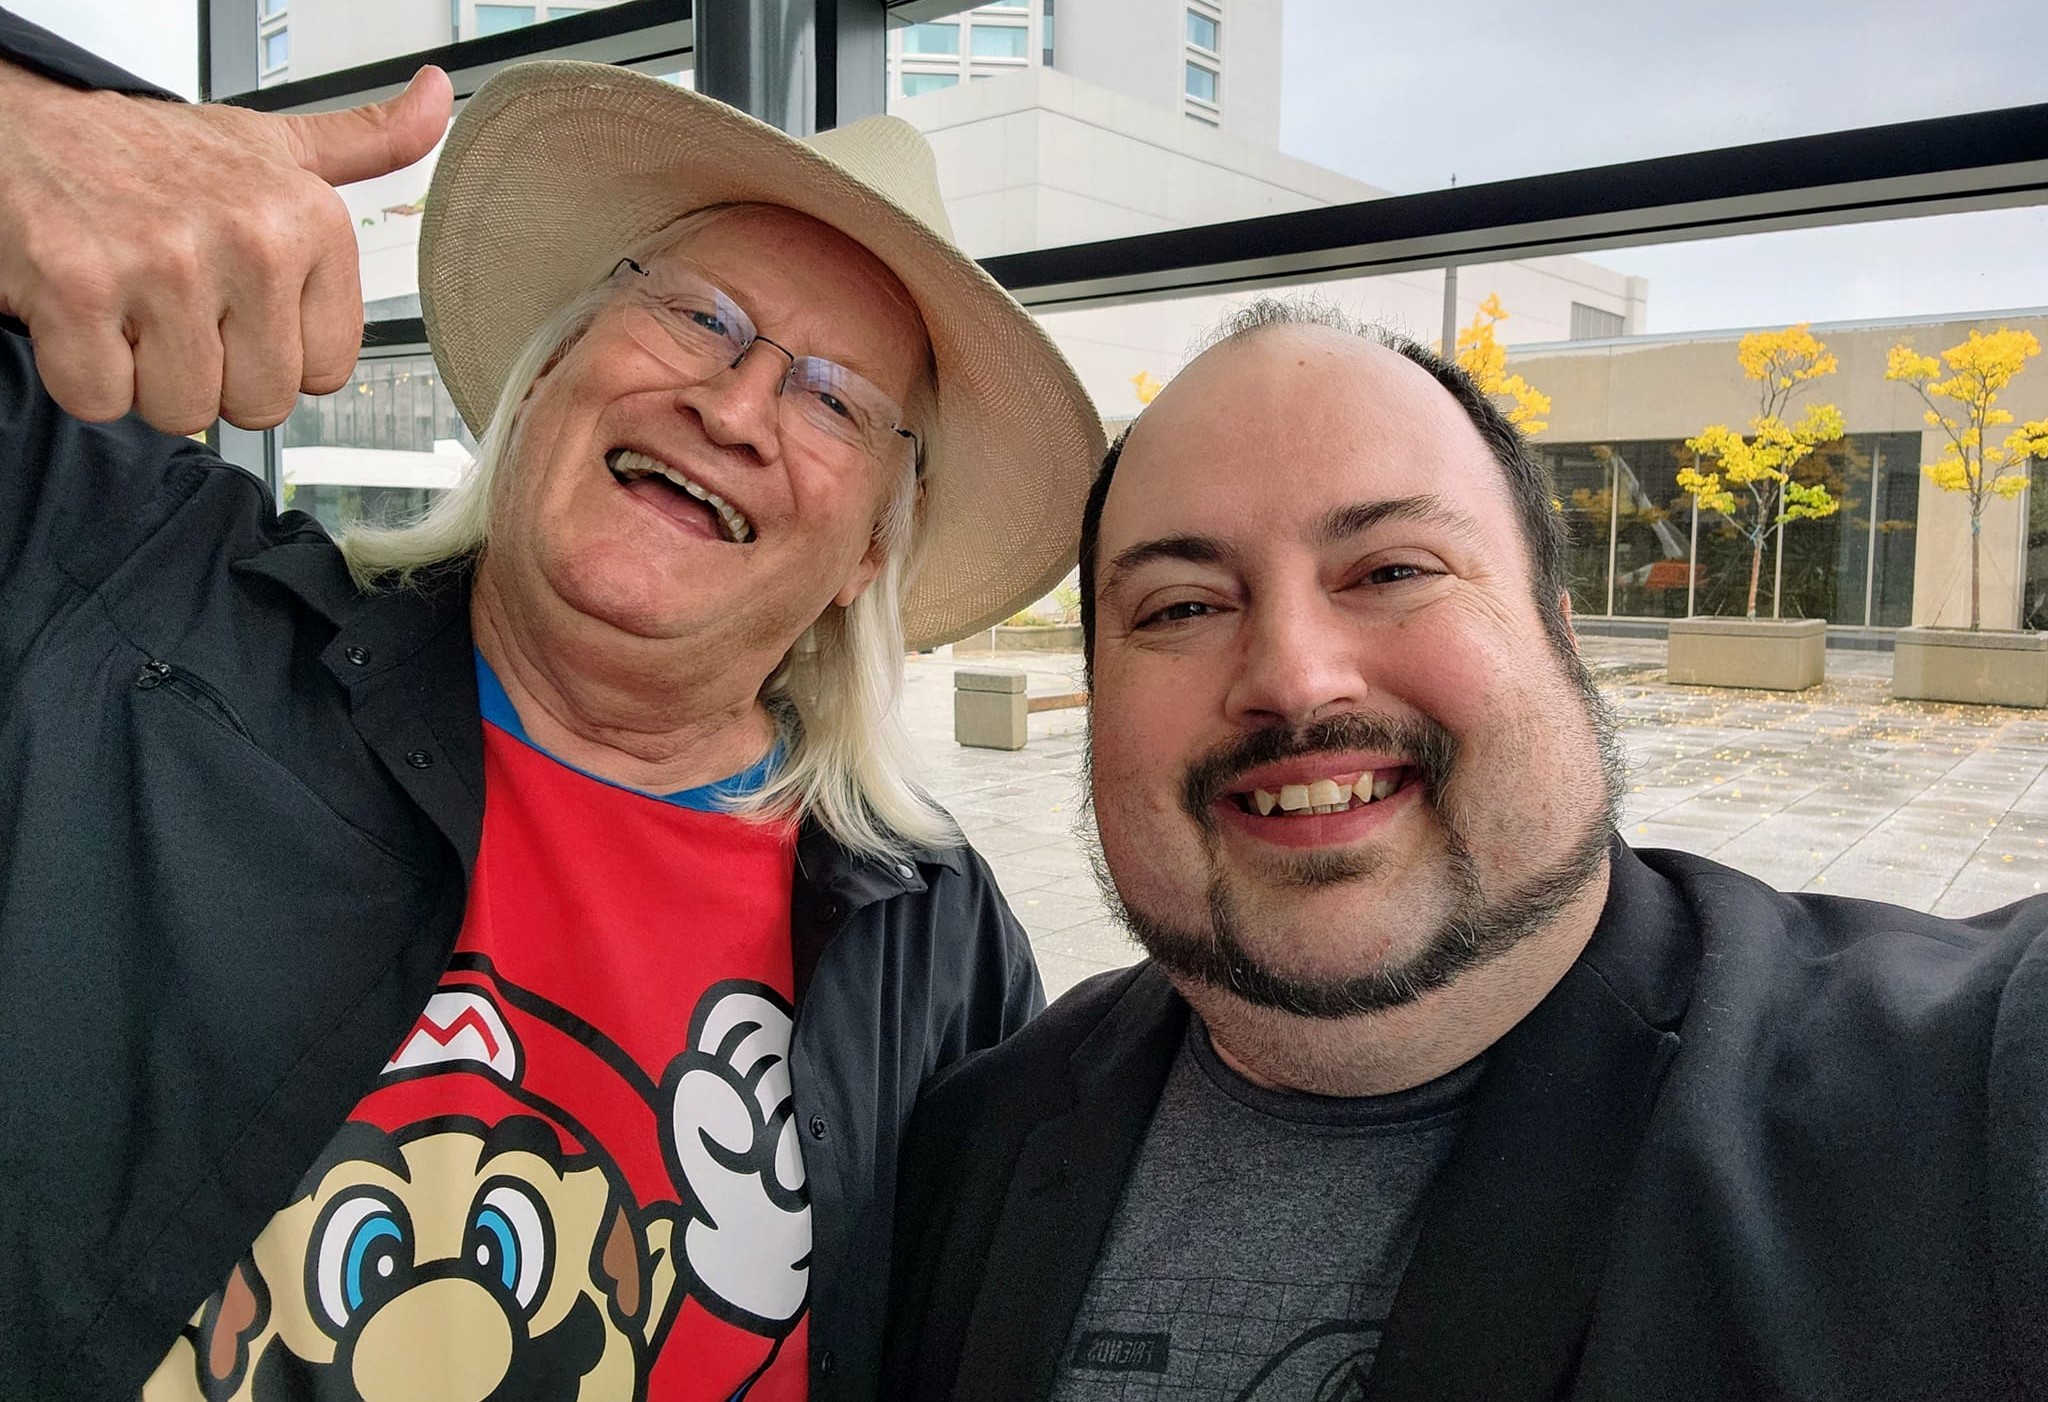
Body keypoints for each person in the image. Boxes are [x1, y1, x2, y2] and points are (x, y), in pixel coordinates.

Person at [0, 12, 1103, 1401]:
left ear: (868, 555)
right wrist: (29, 134)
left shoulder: (939, 948)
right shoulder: (135, 606)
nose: (739, 404)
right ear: (548, 379)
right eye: (702, 316)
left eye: (834, 400)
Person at [884, 299, 2048, 1402]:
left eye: (1391, 571)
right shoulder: (963, 1147)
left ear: (1561, 637)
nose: (1291, 674)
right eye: (1181, 606)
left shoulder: (1961, 1089)